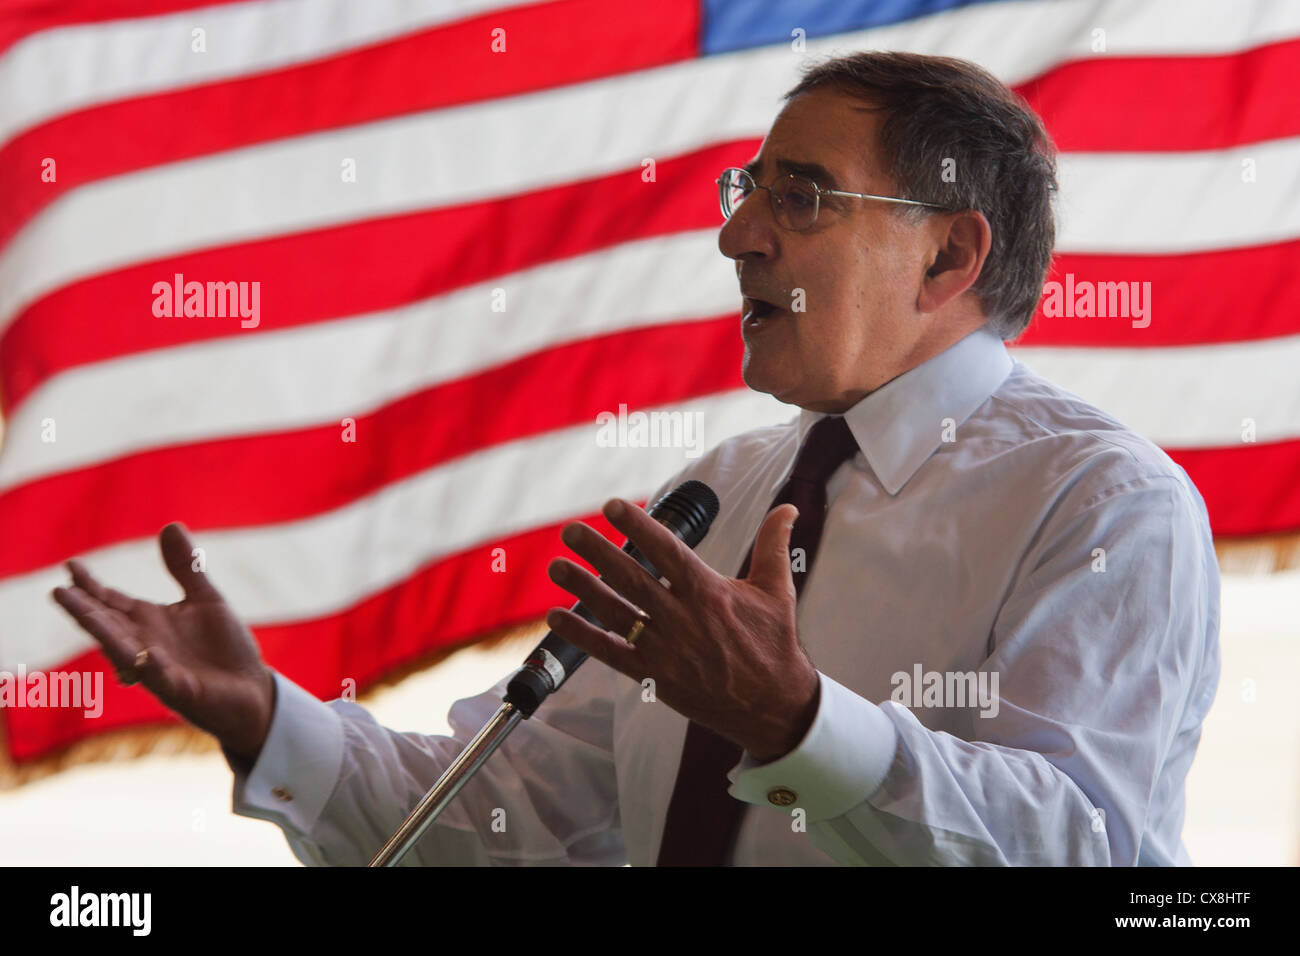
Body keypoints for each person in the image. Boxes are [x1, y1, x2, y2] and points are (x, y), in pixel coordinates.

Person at [51, 51, 1220, 866]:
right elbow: (504, 818)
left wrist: (800, 720)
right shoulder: (721, 492)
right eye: (745, 188)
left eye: (799, 197)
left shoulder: (1103, 503)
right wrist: (264, 714)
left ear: (948, 257)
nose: (734, 235)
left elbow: (1088, 850)